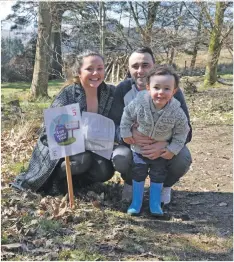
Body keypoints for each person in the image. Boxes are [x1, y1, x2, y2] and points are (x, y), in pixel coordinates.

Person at [10, 50, 116, 195]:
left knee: (105, 170)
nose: (95, 73)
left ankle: (76, 183)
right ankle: (54, 182)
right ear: (79, 72)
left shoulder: (109, 92)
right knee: (82, 160)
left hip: (94, 147)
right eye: (89, 69)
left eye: (99, 68)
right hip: (63, 148)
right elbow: (51, 130)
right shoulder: (69, 94)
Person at [109, 46, 192, 205]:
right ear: (129, 68)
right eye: (135, 66)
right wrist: (129, 135)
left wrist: (166, 144)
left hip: (164, 142)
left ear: (154, 66)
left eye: (145, 65)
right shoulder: (123, 89)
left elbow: (186, 129)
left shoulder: (171, 91)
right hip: (132, 145)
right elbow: (114, 124)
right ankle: (130, 183)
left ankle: (164, 186)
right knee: (120, 157)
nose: (140, 70)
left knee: (183, 158)